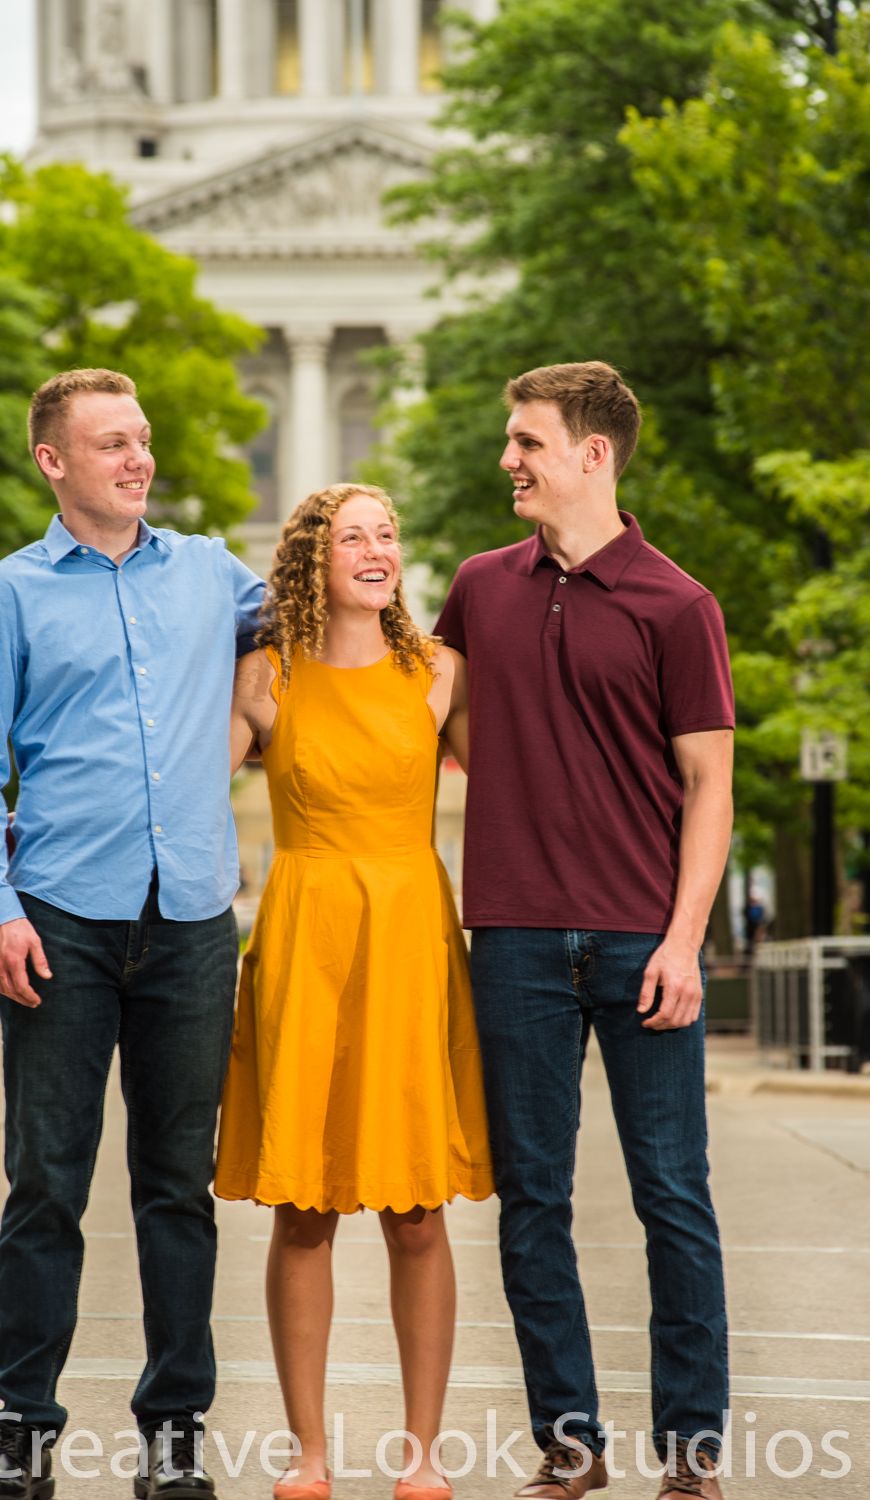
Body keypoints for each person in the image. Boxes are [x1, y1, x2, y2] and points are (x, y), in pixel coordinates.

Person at [0, 368, 265, 1500]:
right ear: (53, 462)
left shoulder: (211, 574)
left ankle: (173, 1429)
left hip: (188, 923)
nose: (137, 460)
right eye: (111, 444)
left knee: (177, 1187)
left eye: (141, 441)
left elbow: (315, 612)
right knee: (46, 1184)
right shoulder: (6, 595)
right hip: (59, 924)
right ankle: (21, 1431)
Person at [434, 363, 734, 1500]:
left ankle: (690, 1453)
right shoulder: (477, 586)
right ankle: (570, 1444)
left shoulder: (677, 603)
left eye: (526, 442)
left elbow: (707, 786)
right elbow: (429, 723)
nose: (507, 460)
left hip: (637, 942)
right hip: (510, 937)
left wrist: (681, 939)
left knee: (672, 1196)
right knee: (532, 1202)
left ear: (592, 454)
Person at [214, 484, 494, 1500]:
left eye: (386, 535)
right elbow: (183, 788)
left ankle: (420, 1453)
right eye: (352, 537)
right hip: (304, 939)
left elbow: (528, 777)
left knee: (417, 1210)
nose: (375, 551)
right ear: (308, 560)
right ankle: (309, 1452)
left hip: (409, 940)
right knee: (304, 1210)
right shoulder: (262, 677)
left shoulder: (439, 673)